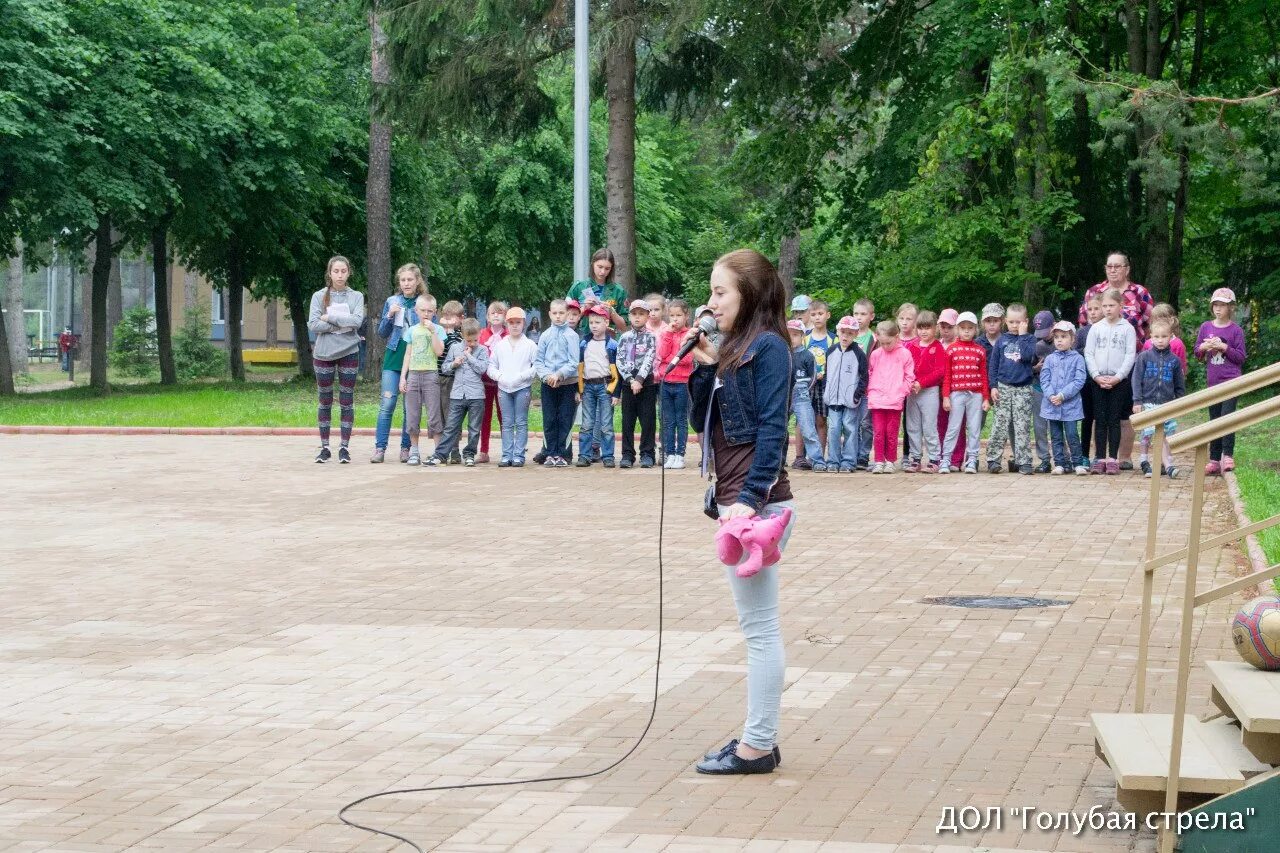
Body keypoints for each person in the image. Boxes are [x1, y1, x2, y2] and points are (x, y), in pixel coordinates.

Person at [686, 248, 795, 776]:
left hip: (760, 505)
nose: (711, 302)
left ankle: (757, 745)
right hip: (736, 501)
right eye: (711, 291)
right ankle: (759, 739)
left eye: (720, 291)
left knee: (760, 629)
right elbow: (700, 426)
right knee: (757, 626)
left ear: (749, 294)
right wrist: (705, 367)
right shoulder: (732, 349)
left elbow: (774, 432)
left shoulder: (770, 349)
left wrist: (749, 502)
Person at [1078, 252, 1153, 470]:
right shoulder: (1094, 292)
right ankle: (1100, 456)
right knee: (1099, 415)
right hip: (1099, 369)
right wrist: (1096, 374)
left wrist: (1123, 372)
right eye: (1109, 266)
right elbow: (1084, 323)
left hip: (1128, 365)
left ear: (1127, 268)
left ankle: (1123, 457)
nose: (1113, 270)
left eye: (1117, 266)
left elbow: (1150, 324)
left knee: (1123, 414)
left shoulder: (1140, 293)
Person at [308, 255, 365, 464]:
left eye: (343, 271)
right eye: (336, 271)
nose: (340, 275)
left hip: (349, 351)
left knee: (346, 400)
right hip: (323, 353)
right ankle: (324, 447)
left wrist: (330, 318)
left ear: (349, 272)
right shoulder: (319, 296)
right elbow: (313, 324)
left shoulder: (357, 296)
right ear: (329, 273)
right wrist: (341, 325)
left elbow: (357, 321)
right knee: (324, 400)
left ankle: (344, 447)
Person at [371, 263, 428, 463]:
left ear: (417, 281)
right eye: (403, 280)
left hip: (416, 360)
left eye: (410, 279)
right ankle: (380, 448)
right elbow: (382, 333)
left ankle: (406, 447)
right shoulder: (392, 301)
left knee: (409, 407)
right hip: (393, 357)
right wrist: (389, 315)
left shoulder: (423, 303)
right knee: (387, 403)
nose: (406, 283)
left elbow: (430, 331)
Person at [1194, 287, 1247, 475]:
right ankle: (1214, 459)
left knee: (1227, 418)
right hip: (1213, 382)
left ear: (1231, 308)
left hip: (1231, 381)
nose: (1218, 309)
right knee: (1214, 420)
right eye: (1215, 305)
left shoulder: (1236, 331)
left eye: (1223, 305)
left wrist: (1224, 347)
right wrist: (1204, 347)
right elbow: (1197, 353)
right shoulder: (1205, 327)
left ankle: (1228, 455)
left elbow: (1241, 357)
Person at [1084, 288, 1137, 475]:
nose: (1107, 309)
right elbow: (1089, 353)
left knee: (1114, 419)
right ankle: (1099, 457)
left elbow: (1130, 355)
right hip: (1097, 380)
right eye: (1104, 306)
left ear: (1120, 306)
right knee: (1100, 419)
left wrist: (1118, 377)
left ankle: (1113, 458)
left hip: (1118, 381)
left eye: (1111, 305)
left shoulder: (1128, 329)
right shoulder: (1096, 328)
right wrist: (1096, 376)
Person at [429, 318, 490, 467]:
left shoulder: (482, 350)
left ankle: (469, 454)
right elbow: (444, 368)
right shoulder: (455, 348)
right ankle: (440, 454)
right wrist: (454, 364)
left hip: (476, 395)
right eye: (469, 341)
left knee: (474, 428)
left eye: (475, 340)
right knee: (451, 427)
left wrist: (468, 356)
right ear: (463, 335)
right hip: (457, 395)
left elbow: (482, 369)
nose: (472, 343)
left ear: (480, 334)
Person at [985, 303, 1037, 475]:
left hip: (1023, 388)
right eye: (1012, 322)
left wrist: (1022, 336)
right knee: (1000, 424)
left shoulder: (1029, 340)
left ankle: (1024, 461)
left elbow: (1028, 357)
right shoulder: (1001, 341)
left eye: (1019, 322)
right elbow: (993, 366)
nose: (1015, 325)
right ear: (1006, 321)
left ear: (1026, 322)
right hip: (1003, 387)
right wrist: (993, 387)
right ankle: (993, 459)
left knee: (1022, 426)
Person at [1132, 319, 1185, 478]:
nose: (1160, 340)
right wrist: (1137, 401)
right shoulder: (1144, 357)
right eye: (1156, 336)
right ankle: (1144, 461)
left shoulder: (1175, 360)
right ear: (1151, 337)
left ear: (1171, 337)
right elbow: (1136, 380)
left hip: (1166, 404)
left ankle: (1165, 464)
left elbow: (1179, 385)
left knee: (1165, 435)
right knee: (1148, 434)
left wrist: (1181, 402)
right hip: (1148, 402)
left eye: (1164, 336)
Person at [486, 306, 538, 467]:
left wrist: (521, 377)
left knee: (521, 421)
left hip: (522, 388)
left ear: (524, 323)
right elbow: (491, 366)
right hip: (504, 388)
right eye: (511, 322)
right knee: (507, 422)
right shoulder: (500, 345)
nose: (514, 325)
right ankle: (507, 454)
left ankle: (519, 455)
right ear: (507, 324)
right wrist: (499, 377)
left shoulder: (530, 345)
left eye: (518, 322)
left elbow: (536, 366)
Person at [398, 295, 446, 465]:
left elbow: (439, 351)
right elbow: (408, 354)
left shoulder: (438, 329)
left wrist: (433, 331)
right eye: (423, 310)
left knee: (433, 414)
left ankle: (438, 452)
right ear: (416, 311)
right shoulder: (411, 330)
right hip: (413, 375)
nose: (426, 314)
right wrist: (403, 377)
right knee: (412, 414)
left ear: (434, 312)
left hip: (430, 374)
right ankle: (414, 450)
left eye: (429, 311)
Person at [940, 312, 989, 474]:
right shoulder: (951, 350)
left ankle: (972, 459)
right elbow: (947, 376)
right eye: (962, 328)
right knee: (953, 427)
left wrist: (986, 398)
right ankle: (946, 459)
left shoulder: (980, 351)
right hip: (956, 394)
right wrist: (946, 397)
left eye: (970, 328)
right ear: (957, 329)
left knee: (974, 428)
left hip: (975, 394)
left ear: (976, 330)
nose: (966, 331)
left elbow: (983, 376)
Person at [534, 299, 581, 468]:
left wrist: (559, 375)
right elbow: (538, 361)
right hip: (548, 384)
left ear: (568, 314)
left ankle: (563, 454)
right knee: (550, 419)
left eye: (562, 313)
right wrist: (547, 376)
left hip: (567, 384)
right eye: (555, 313)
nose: (558, 316)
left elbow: (574, 361)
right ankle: (549, 453)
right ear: (550, 314)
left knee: (565, 418)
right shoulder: (545, 335)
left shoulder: (572, 336)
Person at [1039, 320, 1090, 476]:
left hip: (1071, 405)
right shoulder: (1049, 359)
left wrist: (1063, 395)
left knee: (1072, 434)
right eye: (1057, 337)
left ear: (1072, 339)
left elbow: (1079, 380)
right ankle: (1060, 463)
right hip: (1051, 405)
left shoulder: (1078, 359)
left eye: (1064, 336)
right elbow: (1044, 378)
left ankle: (1077, 463)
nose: (1059, 340)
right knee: (1055, 436)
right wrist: (1051, 395)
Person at [822, 316, 870, 473]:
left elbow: (864, 377)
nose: (845, 336)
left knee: (850, 428)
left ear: (855, 334)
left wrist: (857, 395)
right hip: (833, 400)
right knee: (834, 428)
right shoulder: (830, 352)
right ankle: (833, 460)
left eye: (850, 333)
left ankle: (849, 461)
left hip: (850, 400)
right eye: (843, 332)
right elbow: (827, 374)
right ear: (837, 331)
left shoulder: (859, 354)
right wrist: (825, 392)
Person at [867, 320, 915, 474]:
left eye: (888, 343)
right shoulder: (875, 354)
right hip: (877, 400)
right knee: (879, 432)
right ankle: (879, 460)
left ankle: (890, 460)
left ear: (897, 337)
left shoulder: (904, 353)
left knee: (891, 433)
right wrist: (870, 391)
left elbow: (909, 376)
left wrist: (902, 392)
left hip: (895, 400)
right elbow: (870, 373)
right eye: (882, 343)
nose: (885, 346)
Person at [616, 300, 658, 469]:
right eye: (634, 314)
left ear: (647, 316)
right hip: (628, 383)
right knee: (627, 421)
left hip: (646, 383)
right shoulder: (624, 337)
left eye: (641, 314)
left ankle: (648, 453)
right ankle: (627, 454)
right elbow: (619, 359)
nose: (637, 317)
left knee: (647, 419)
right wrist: (630, 379)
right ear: (629, 316)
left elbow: (650, 358)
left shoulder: (651, 337)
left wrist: (639, 380)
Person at [576, 305, 618, 467]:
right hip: (587, 386)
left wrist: (615, 392)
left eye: (598, 322)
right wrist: (578, 389)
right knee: (587, 423)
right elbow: (579, 366)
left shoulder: (612, 344)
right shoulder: (584, 343)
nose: (593, 325)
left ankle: (608, 456)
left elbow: (617, 370)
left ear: (606, 322)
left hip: (605, 386)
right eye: (591, 322)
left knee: (606, 423)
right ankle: (584, 455)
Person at [904, 310, 945, 473]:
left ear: (935, 328)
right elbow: (905, 366)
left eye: (927, 328)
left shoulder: (938, 347)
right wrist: (910, 382)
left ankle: (934, 458)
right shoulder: (911, 346)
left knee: (929, 426)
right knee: (912, 425)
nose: (924, 331)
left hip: (929, 392)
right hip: (912, 392)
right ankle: (915, 458)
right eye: (920, 328)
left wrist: (922, 382)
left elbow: (940, 371)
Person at [657, 299, 695, 469]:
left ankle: (680, 454)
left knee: (681, 419)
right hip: (666, 382)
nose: (675, 319)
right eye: (672, 315)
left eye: (679, 315)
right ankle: (669, 454)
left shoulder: (690, 335)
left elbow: (687, 359)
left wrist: (674, 356)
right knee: (667, 421)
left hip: (682, 383)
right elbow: (662, 354)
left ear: (686, 316)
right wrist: (667, 336)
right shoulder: (666, 333)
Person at [800, 300, 834, 467]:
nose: (817, 317)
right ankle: (800, 456)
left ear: (827, 315)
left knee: (820, 420)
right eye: (813, 314)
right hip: (806, 384)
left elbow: (834, 363)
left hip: (824, 385)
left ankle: (818, 458)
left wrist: (824, 374)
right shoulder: (805, 340)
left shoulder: (833, 339)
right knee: (803, 419)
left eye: (820, 314)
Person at [567, 248, 629, 333]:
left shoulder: (618, 291)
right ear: (593, 264)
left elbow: (624, 328)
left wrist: (611, 312)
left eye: (607, 268)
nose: (603, 272)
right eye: (600, 267)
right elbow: (564, 321)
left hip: (608, 341)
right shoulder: (579, 287)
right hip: (582, 340)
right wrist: (584, 308)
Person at [787, 320, 822, 470]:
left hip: (801, 394)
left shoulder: (808, 355)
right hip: (785, 395)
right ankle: (779, 460)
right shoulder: (783, 354)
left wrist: (806, 389)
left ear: (802, 336)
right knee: (779, 428)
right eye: (788, 335)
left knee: (808, 428)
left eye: (795, 335)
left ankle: (817, 460)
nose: (791, 338)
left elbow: (813, 376)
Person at [476, 301, 508, 464]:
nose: (496, 315)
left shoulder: (509, 335)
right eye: (492, 313)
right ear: (487, 317)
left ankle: (507, 450)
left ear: (505, 316)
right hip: (485, 382)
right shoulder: (482, 334)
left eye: (499, 313)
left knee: (505, 416)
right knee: (485, 417)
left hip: (503, 383)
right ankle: (484, 450)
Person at [437, 300, 466, 464]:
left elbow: (453, 347)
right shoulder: (438, 332)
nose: (448, 320)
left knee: (452, 416)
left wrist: (448, 331)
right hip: (438, 377)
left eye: (452, 317)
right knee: (439, 415)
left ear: (460, 319)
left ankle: (454, 449)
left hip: (452, 379)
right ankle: (441, 448)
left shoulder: (459, 336)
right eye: (445, 317)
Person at [1075, 294, 1102, 467]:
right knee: (1087, 418)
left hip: (1103, 379)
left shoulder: (1108, 330)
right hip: (1086, 381)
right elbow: (1077, 351)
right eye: (1089, 309)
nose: (1092, 313)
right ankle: (1084, 454)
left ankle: (1100, 455)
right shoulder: (1082, 332)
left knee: (1101, 419)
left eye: (1096, 309)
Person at [1030, 310, 1057, 474]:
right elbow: (1027, 367)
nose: (1043, 336)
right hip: (1039, 387)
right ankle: (1044, 459)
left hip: (1058, 391)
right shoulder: (1036, 344)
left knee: (1058, 425)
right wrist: (1036, 368)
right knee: (1039, 426)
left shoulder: (1064, 340)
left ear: (1053, 326)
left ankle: (1063, 457)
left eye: (1046, 331)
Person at [852, 298, 876, 468]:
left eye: (863, 314)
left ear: (871, 317)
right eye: (856, 313)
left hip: (868, 388)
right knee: (851, 422)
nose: (859, 317)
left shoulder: (875, 338)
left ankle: (863, 455)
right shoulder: (847, 334)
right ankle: (851, 454)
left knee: (866, 423)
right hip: (850, 387)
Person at [895, 303, 919, 462]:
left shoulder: (918, 341)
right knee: (893, 420)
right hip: (893, 386)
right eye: (901, 318)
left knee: (909, 422)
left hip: (911, 387)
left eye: (909, 319)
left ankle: (907, 453)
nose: (904, 322)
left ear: (916, 321)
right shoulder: (893, 339)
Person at [1144, 302, 1187, 374]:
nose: (1159, 324)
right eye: (1156, 320)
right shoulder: (1148, 343)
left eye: (1162, 320)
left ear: (1171, 321)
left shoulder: (1177, 343)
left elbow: (1181, 368)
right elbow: (1143, 366)